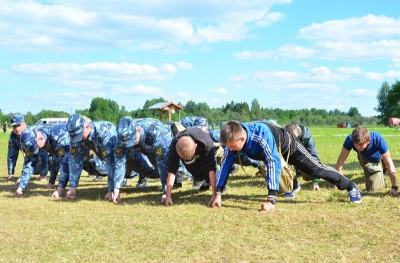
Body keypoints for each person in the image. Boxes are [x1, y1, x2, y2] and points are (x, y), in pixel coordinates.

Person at [209, 121, 362, 211]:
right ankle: (295, 185)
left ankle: (350, 186)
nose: (232, 150)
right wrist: (218, 194)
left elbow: (273, 161)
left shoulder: (260, 134)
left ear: (242, 138)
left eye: (234, 147)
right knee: (281, 177)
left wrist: (271, 200)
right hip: (275, 153)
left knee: (316, 169)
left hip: (291, 148)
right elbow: (226, 164)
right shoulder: (232, 140)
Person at [109, 117, 182, 204]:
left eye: (131, 141)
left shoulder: (156, 131)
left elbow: (163, 164)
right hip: (145, 149)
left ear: (138, 130)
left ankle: (178, 173)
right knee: (155, 171)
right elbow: (119, 164)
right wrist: (116, 190)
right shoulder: (122, 136)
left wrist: (166, 193)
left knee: (167, 165)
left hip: (165, 142)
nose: (129, 145)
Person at [179, 116, 266, 186]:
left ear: (205, 129)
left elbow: (228, 147)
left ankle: (258, 166)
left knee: (246, 160)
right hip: (222, 155)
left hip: (232, 151)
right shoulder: (192, 140)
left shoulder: (215, 135)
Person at [63, 113, 117, 199]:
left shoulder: (105, 132)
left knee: (138, 169)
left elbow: (112, 163)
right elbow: (74, 160)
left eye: (79, 135)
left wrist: (112, 190)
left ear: (87, 126)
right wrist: (72, 188)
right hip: (105, 162)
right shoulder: (77, 135)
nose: (78, 139)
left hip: (124, 160)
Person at [336, 127, 397, 196]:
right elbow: (340, 161)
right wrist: (338, 182)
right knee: (370, 179)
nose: (357, 147)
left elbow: (389, 163)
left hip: (379, 157)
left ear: (368, 140)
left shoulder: (377, 138)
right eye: (355, 144)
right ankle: (368, 171)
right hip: (363, 157)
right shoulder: (350, 139)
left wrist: (394, 187)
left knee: (375, 187)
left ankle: (384, 170)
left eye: (360, 144)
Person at [164, 127, 217, 206]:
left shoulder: (206, 142)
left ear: (196, 146)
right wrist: (168, 196)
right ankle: (204, 179)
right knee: (197, 174)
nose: (188, 159)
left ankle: (217, 184)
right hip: (195, 166)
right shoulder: (175, 143)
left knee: (211, 169)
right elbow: (172, 170)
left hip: (205, 154)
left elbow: (212, 169)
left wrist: (214, 195)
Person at [17, 124, 69, 196]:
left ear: (41, 138)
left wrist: (60, 189)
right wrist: (21, 187)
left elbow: (65, 163)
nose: (36, 151)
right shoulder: (33, 139)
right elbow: (29, 163)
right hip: (56, 150)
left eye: (36, 148)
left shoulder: (59, 137)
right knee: (54, 161)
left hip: (78, 152)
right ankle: (52, 182)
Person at [7, 113, 49, 182]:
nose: (17, 128)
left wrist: (43, 174)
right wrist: (10, 173)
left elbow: (43, 151)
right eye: (14, 126)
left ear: (24, 124)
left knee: (42, 153)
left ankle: (43, 174)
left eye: (18, 125)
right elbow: (11, 154)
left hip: (47, 156)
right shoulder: (13, 135)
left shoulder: (32, 133)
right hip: (32, 156)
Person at [284, 123, 321, 197]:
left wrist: (315, 182)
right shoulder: (285, 136)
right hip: (293, 159)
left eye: (294, 137)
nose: (292, 139)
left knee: (307, 175)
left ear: (298, 133)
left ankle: (302, 172)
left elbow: (314, 156)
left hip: (304, 159)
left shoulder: (307, 136)